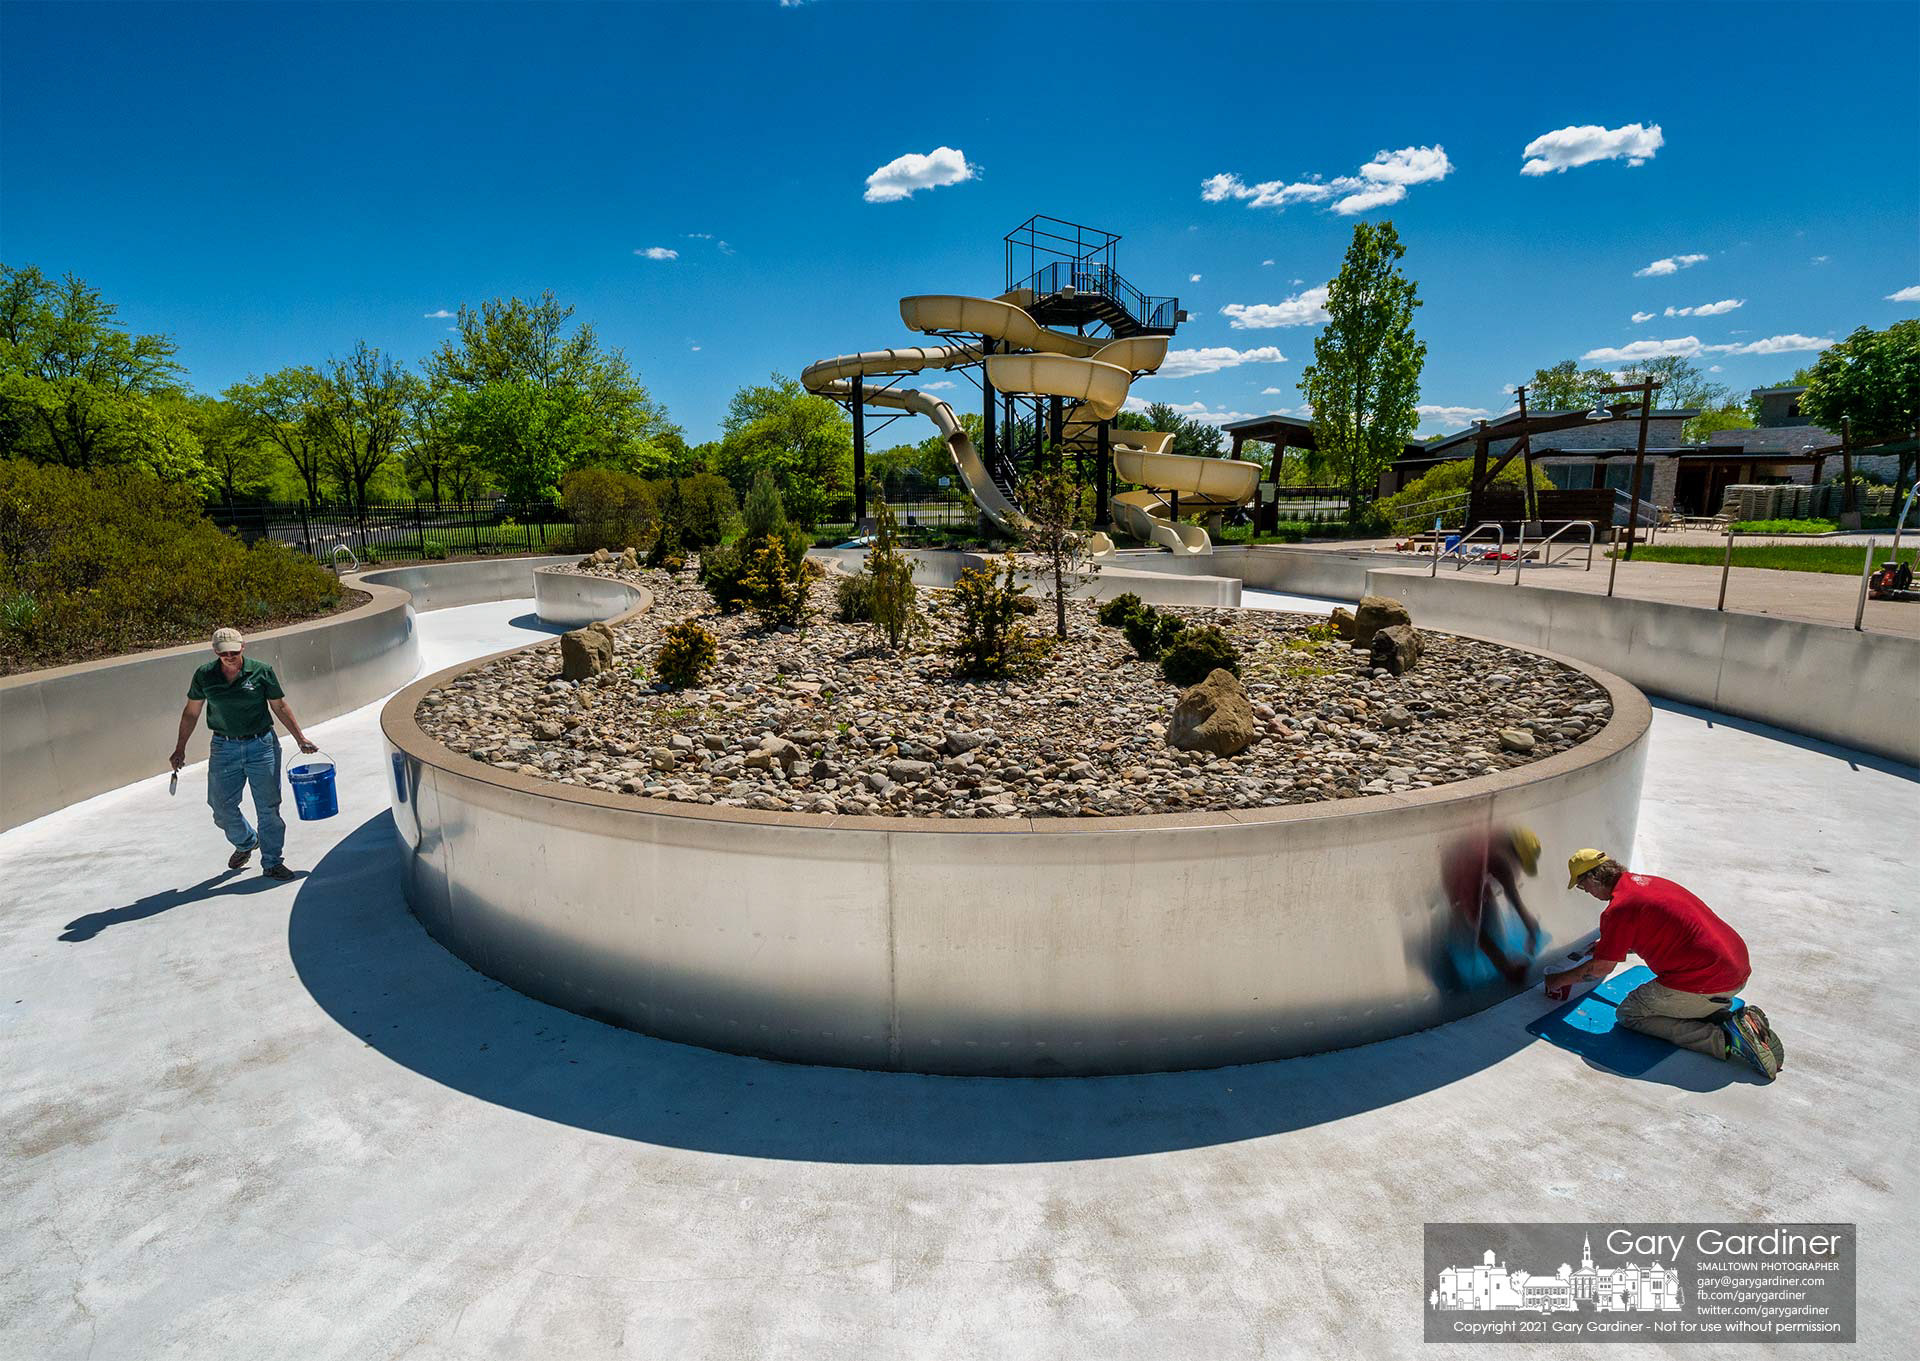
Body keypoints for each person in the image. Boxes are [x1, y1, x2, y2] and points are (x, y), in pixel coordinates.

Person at [1544, 850, 1783, 1081]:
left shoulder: (1619, 909)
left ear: (1593, 879)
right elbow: (1658, 929)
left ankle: (1724, 1039)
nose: (1585, 891)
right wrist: (1611, 944)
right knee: (1671, 1001)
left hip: (1708, 982)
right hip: (1735, 968)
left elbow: (1600, 969)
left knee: (1630, 1014)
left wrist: (1557, 980)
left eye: (1582, 886)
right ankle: (1735, 1021)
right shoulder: (1648, 884)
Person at [168, 628, 319, 882]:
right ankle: (247, 841)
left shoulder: (261, 671)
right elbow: (191, 712)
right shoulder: (205, 675)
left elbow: (279, 706)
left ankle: (272, 862)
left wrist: (300, 738)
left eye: (234, 652)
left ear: (243, 647)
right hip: (224, 747)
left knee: (268, 808)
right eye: (223, 652)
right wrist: (180, 747)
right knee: (221, 808)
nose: (229, 656)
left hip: (262, 745)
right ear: (215, 651)